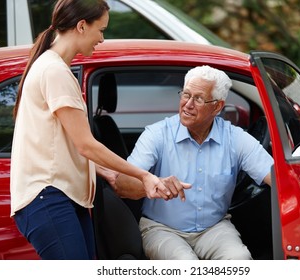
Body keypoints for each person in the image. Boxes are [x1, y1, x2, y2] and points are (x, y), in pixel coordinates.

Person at [10, 0, 182, 260]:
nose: (101, 38)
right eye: (100, 30)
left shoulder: (54, 68)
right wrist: (144, 176)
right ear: (81, 26)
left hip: (61, 197)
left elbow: (60, 142)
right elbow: (86, 144)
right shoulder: (54, 71)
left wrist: (102, 171)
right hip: (48, 197)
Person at [109, 65, 274, 260]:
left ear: (218, 106)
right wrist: (154, 184)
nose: (188, 104)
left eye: (198, 98)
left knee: (240, 260)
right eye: (186, 95)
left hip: (214, 228)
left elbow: (279, 178)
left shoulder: (235, 138)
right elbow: (121, 185)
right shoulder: (157, 134)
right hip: (161, 228)